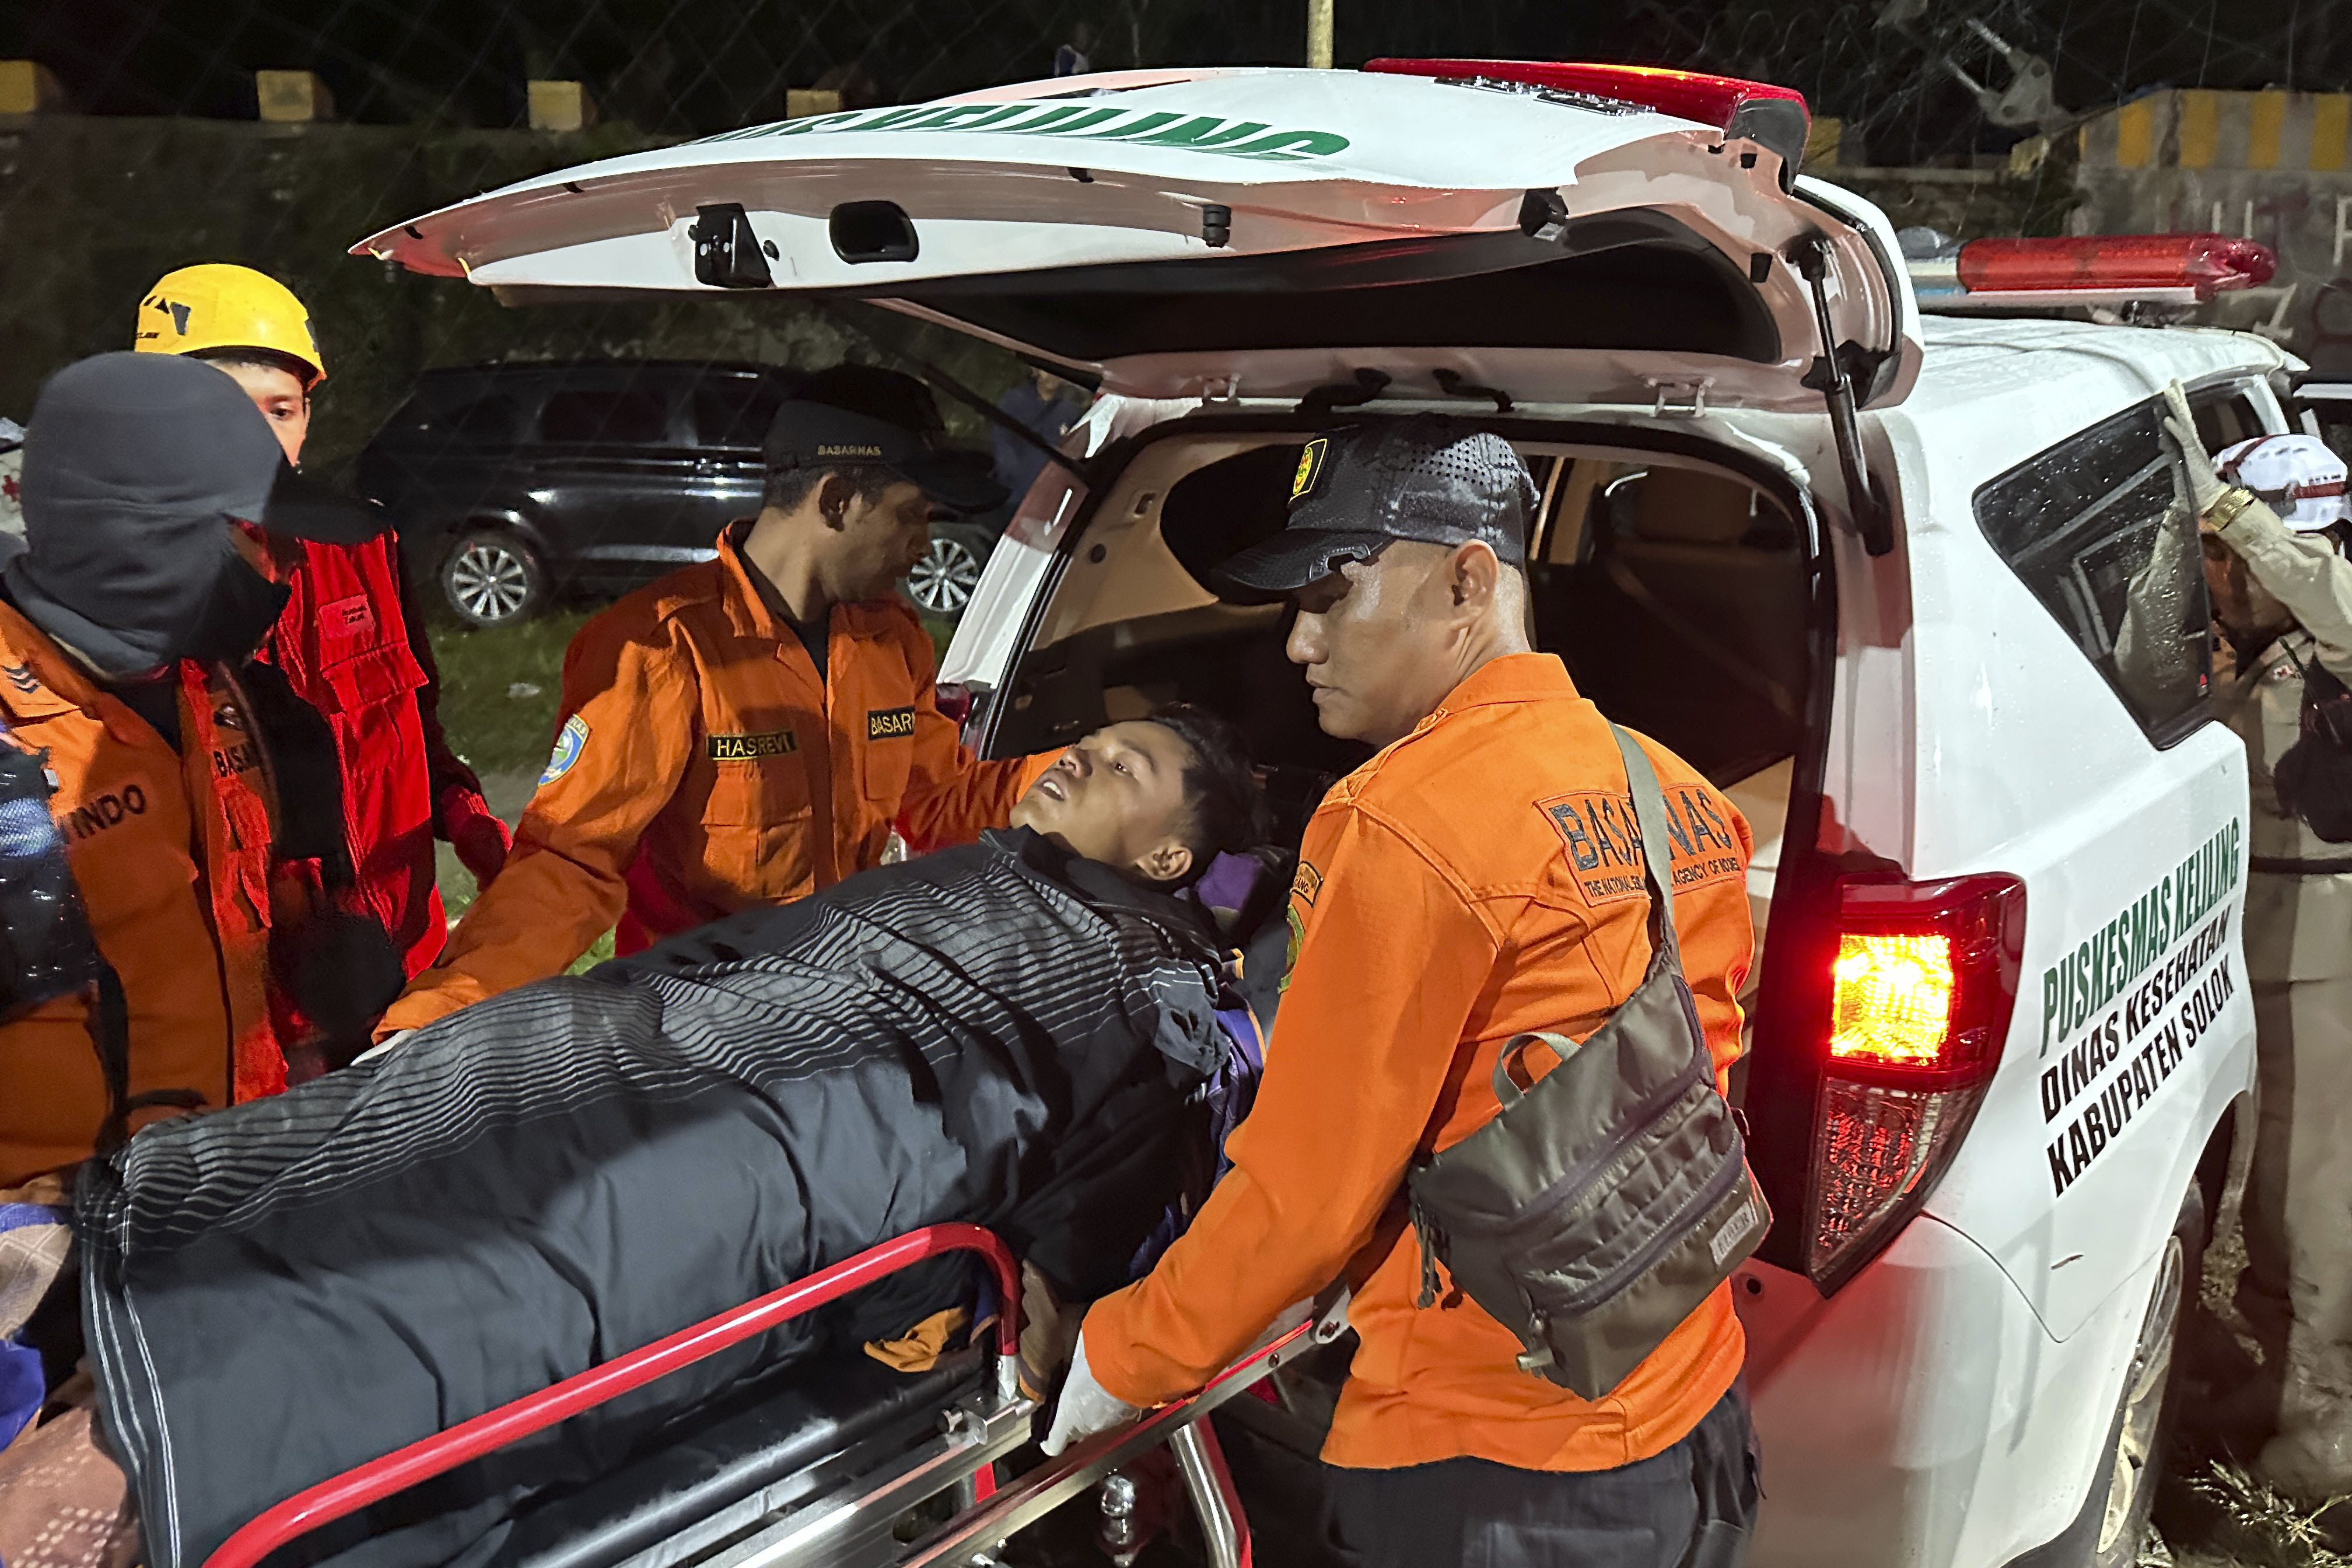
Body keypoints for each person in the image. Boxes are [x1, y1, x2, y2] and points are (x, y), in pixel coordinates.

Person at [78, 708, 1272, 1568]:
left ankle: (155, 1434)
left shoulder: (1148, 994)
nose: (1082, 754)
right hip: (637, 1037)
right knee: (458, 1102)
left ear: (1169, 858)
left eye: (1130, 765)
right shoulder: (989, 866)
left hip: (735, 1153)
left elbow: (1094, 1229)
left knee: (469, 1254)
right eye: (1094, 739)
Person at [1045, 419, 1763, 1566]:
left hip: (1491, 1468)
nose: (1299, 641)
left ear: (1467, 582)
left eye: (1334, 595)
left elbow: (1308, 1193)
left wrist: (1126, 1354)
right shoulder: (1676, 792)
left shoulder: (1402, 821)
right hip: (1690, 1411)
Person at [374, 367, 1037, 1038]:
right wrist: (440, 1017)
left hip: (841, 1006)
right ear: (836, 501)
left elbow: (939, 800)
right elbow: (572, 862)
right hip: (700, 1032)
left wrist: (1117, 768)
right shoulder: (661, 647)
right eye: (911, 515)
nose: (924, 545)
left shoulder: (892, 641)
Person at [0, 352, 386, 1185]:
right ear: (138, 542)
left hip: (225, 1192)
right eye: (250, 537)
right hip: (57, 1258)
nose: (283, 571)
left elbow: (241, 913)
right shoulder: (12, 737)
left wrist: (314, 976)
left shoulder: (212, 687)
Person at [135, 264, 511, 992]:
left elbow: (417, 730)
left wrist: (480, 835)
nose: (262, 442)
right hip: (253, 1007)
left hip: (404, 963)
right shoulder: (125, 597)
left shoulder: (360, 546)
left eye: (283, 410)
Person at [2161, 385, 2352, 1499]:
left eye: (2223, 556)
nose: (2212, 578)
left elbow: (2331, 596)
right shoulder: (2245, 648)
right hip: (2252, 938)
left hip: (2328, 944)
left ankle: (2325, 1423)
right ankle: (2274, 1374)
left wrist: (2233, 515)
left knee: (2317, 1190)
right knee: (2264, 1191)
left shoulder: (2333, 627)